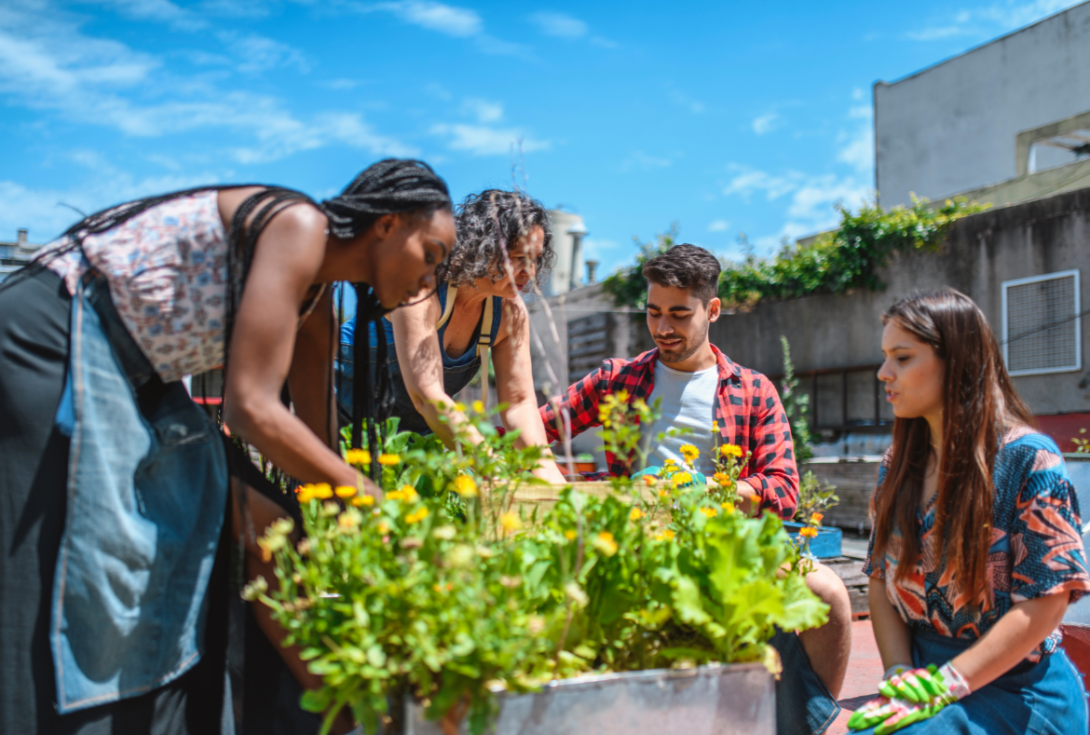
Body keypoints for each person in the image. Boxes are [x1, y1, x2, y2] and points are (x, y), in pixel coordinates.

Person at [0, 158, 455, 735]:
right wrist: (372, 501)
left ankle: (349, 714)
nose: (429, 282)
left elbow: (314, 440)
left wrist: (337, 522)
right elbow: (250, 407)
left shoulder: (316, 297)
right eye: (432, 255)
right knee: (87, 565)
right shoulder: (297, 226)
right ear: (387, 225)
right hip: (54, 341)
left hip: (138, 375)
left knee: (265, 523)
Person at [540, 243, 852, 735]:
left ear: (712, 311)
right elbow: (531, 431)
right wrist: (573, 492)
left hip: (732, 544)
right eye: (654, 312)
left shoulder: (752, 389)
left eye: (680, 315)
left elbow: (784, 488)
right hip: (635, 541)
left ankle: (804, 722)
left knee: (829, 593)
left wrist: (714, 488)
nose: (663, 328)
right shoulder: (616, 381)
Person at [848, 289, 1090, 735]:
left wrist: (948, 685)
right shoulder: (897, 464)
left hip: (1015, 686)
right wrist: (898, 671)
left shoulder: (1029, 461)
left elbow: (1047, 602)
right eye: (885, 357)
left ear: (956, 362)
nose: (884, 373)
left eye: (902, 358)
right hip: (924, 674)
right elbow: (880, 578)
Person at [337, 189, 566, 483]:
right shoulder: (421, 287)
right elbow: (426, 396)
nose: (529, 272)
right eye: (519, 258)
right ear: (482, 247)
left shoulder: (510, 312)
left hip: (409, 439)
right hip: (337, 418)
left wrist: (553, 483)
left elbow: (520, 405)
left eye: (535, 259)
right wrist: (491, 466)